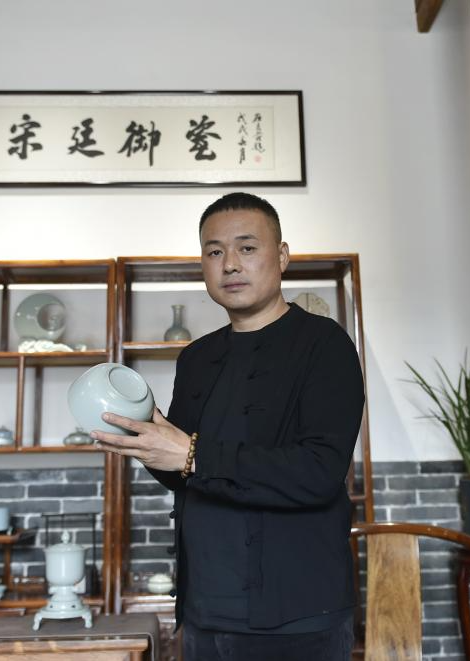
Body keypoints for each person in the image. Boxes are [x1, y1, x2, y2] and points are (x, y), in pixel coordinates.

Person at [92, 192, 366, 661]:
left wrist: (191, 454)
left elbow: (318, 472)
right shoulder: (197, 358)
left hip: (298, 615)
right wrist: (142, 439)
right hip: (204, 611)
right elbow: (184, 472)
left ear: (282, 256)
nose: (230, 264)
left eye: (247, 247)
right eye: (215, 252)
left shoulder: (324, 345)